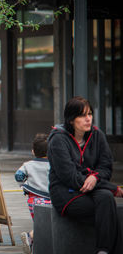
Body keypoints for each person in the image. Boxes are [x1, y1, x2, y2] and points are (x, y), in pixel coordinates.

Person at [47, 96, 123, 254]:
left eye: (90, 114)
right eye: (82, 115)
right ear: (71, 119)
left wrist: (94, 178)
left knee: (106, 199)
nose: (88, 119)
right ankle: (107, 250)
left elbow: (106, 167)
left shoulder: (97, 135)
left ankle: (103, 251)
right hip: (66, 193)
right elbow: (70, 176)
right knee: (107, 208)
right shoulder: (58, 140)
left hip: (92, 190)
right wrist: (111, 187)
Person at [15, 133, 51, 254]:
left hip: (33, 200)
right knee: (48, 223)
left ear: (33, 151)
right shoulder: (54, 165)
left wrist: (24, 185)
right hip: (50, 200)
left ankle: (33, 241)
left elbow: (18, 176)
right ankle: (31, 237)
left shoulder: (28, 165)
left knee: (40, 223)